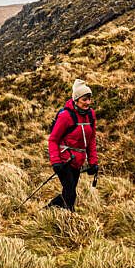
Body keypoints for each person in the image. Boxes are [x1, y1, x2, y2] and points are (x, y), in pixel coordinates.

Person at [47, 79, 99, 211]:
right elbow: (53, 139)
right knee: (70, 193)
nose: (88, 102)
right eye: (84, 99)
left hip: (78, 161)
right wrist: (56, 162)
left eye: (89, 99)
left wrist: (93, 162)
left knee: (68, 191)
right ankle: (69, 220)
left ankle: (49, 210)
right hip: (64, 161)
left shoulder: (91, 115)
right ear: (76, 100)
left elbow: (91, 139)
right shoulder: (65, 116)